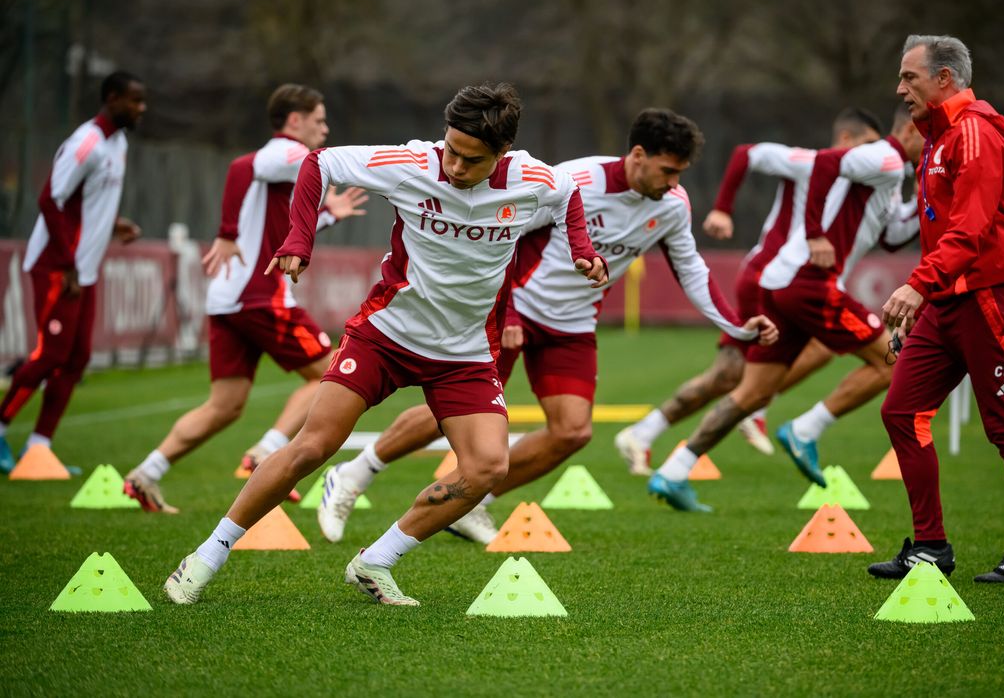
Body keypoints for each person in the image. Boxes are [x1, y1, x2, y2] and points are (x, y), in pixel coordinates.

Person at [163, 83, 608, 607]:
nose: (456, 167)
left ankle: (376, 560)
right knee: (312, 446)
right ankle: (206, 556)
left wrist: (582, 249)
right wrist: (299, 238)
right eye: (451, 151)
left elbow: (569, 195)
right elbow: (318, 164)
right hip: (385, 337)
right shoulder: (413, 163)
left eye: (473, 160)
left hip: (463, 355)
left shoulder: (534, 178)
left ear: (503, 155)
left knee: (489, 466)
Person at [316, 108, 777, 545]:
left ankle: (477, 501)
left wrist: (736, 326)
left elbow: (691, 270)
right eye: (667, 171)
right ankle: (355, 472)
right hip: (517, 310)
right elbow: (503, 237)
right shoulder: (576, 179)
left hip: (573, 327)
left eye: (679, 174)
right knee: (455, 412)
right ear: (638, 156)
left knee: (572, 432)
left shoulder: (673, 206)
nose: (674, 183)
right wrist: (509, 311)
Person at [648, 105, 924, 511]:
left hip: (782, 283)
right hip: (809, 282)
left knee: (752, 393)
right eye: (931, 131)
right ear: (911, 130)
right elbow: (828, 161)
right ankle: (806, 430)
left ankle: (673, 472)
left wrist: (923, 197)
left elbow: (893, 236)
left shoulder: (892, 172)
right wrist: (814, 234)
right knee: (892, 362)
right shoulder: (884, 155)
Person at [122, 84, 366, 513]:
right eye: (319, 120)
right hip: (258, 296)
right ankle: (266, 452)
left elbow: (278, 225)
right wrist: (227, 233)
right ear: (294, 122)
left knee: (225, 405)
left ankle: (146, 474)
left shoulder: (286, 166)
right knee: (333, 372)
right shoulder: (288, 153)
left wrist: (327, 214)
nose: (325, 129)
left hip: (230, 299)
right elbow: (239, 167)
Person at [870, 35, 1004, 583]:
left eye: (910, 77)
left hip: (988, 299)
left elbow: (970, 229)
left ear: (944, 78)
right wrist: (927, 302)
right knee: (900, 412)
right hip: (947, 301)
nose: (901, 89)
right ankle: (930, 548)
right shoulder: (937, 138)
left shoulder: (974, 133)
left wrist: (917, 287)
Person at [616, 108, 883, 473]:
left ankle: (645, 433)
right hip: (771, 279)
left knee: (728, 375)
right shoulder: (811, 162)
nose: (877, 154)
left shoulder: (864, 182)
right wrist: (723, 209)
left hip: (786, 282)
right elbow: (746, 153)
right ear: (848, 140)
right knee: (813, 352)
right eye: (870, 144)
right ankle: (758, 407)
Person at [0, 72, 147, 473]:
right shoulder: (87, 143)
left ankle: (39, 447)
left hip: (82, 269)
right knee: (50, 356)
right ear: (112, 98)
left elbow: (88, 200)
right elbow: (51, 198)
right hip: (56, 265)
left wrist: (114, 224)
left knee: (77, 359)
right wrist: (66, 262)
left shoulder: (118, 142)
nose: (141, 108)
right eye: (135, 101)